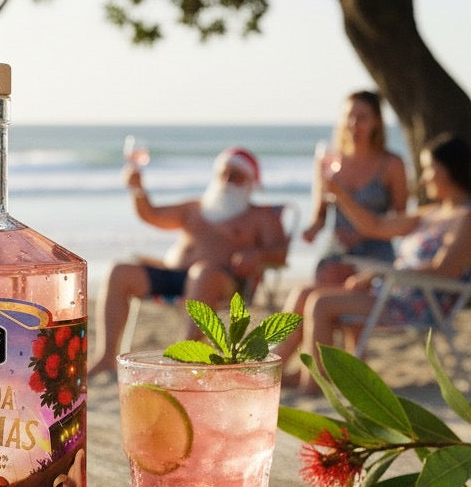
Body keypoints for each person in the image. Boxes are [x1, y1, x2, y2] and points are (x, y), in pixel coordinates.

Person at [279, 134, 471, 392]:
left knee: (321, 304)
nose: (423, 178)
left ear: (451, 169)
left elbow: (444, 270)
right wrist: (339, 194)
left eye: (428, 169)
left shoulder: (465, 219)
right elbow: (375, 226)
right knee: (303, 293)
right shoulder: (431, 214)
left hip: (418, 304)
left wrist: (382, 274)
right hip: (393, 292)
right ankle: (272, 369)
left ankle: (314, 384)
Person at [87, 147, 289, 377]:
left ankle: (182, 356)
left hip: (220, 282)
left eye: (235, 175)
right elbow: (151, 215)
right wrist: (137, 188)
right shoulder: (195, 207)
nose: (226, 180)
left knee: (202, 273)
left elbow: (280, 252)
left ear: (250, 182)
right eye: (223, 173)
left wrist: (258, 256)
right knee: (118, 271)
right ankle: (105, 358)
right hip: (173, 274)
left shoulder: (260, 217)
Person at [302, 90, 408, 285]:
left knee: (346, 293)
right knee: (324, 284)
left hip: (376, 249)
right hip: (338, 249)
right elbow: (320, 215)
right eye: (348, 117)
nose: (353, 124)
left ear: (376, 121)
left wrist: (361, 233)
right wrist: (311, 230)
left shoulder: (391, 164)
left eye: (361, 118)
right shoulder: (328, 162)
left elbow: (400, 219)